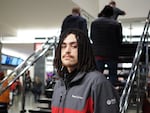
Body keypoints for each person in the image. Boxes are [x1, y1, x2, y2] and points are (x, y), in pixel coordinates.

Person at [51, 28, 119, 113]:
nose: (67, 51)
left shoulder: (98, 83)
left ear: (84, 50)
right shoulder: (59, 84)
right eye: (63, 46)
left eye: (74, 46)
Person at [90, 5, 123, 86]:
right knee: (112, 75)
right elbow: (119, 39)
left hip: (97, 54)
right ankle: (110, 92)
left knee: (97, 75)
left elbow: (92, 37)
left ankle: (98, 91)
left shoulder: (94, 23)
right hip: (111, 54)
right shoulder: (116, 24)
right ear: (111, 14)